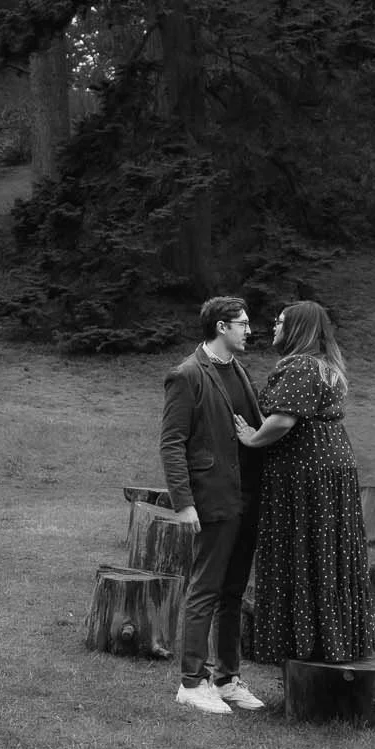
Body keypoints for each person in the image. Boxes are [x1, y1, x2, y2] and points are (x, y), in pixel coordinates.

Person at [232, 300, 375, 666]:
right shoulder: (325, 366)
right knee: (326, 550)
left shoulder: (299, 365)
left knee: (302, 547)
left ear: (297, 329)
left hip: (305, 470)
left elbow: (283, 420)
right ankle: (332, 639)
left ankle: (300, 643)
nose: (274, 327)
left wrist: (252, 439)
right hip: (331, 466)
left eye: (280, 322)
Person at [159, 296, 269, 715]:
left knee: (233, 591)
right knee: (205, 589)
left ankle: (226, 679)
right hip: (212, 499)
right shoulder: (187, 374)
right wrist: (184, 503)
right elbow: (172, 443)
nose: (249, 330)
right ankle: (192, 682)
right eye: (243, 324)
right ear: (222, 327)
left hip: (247, 497)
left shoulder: (238, 369)